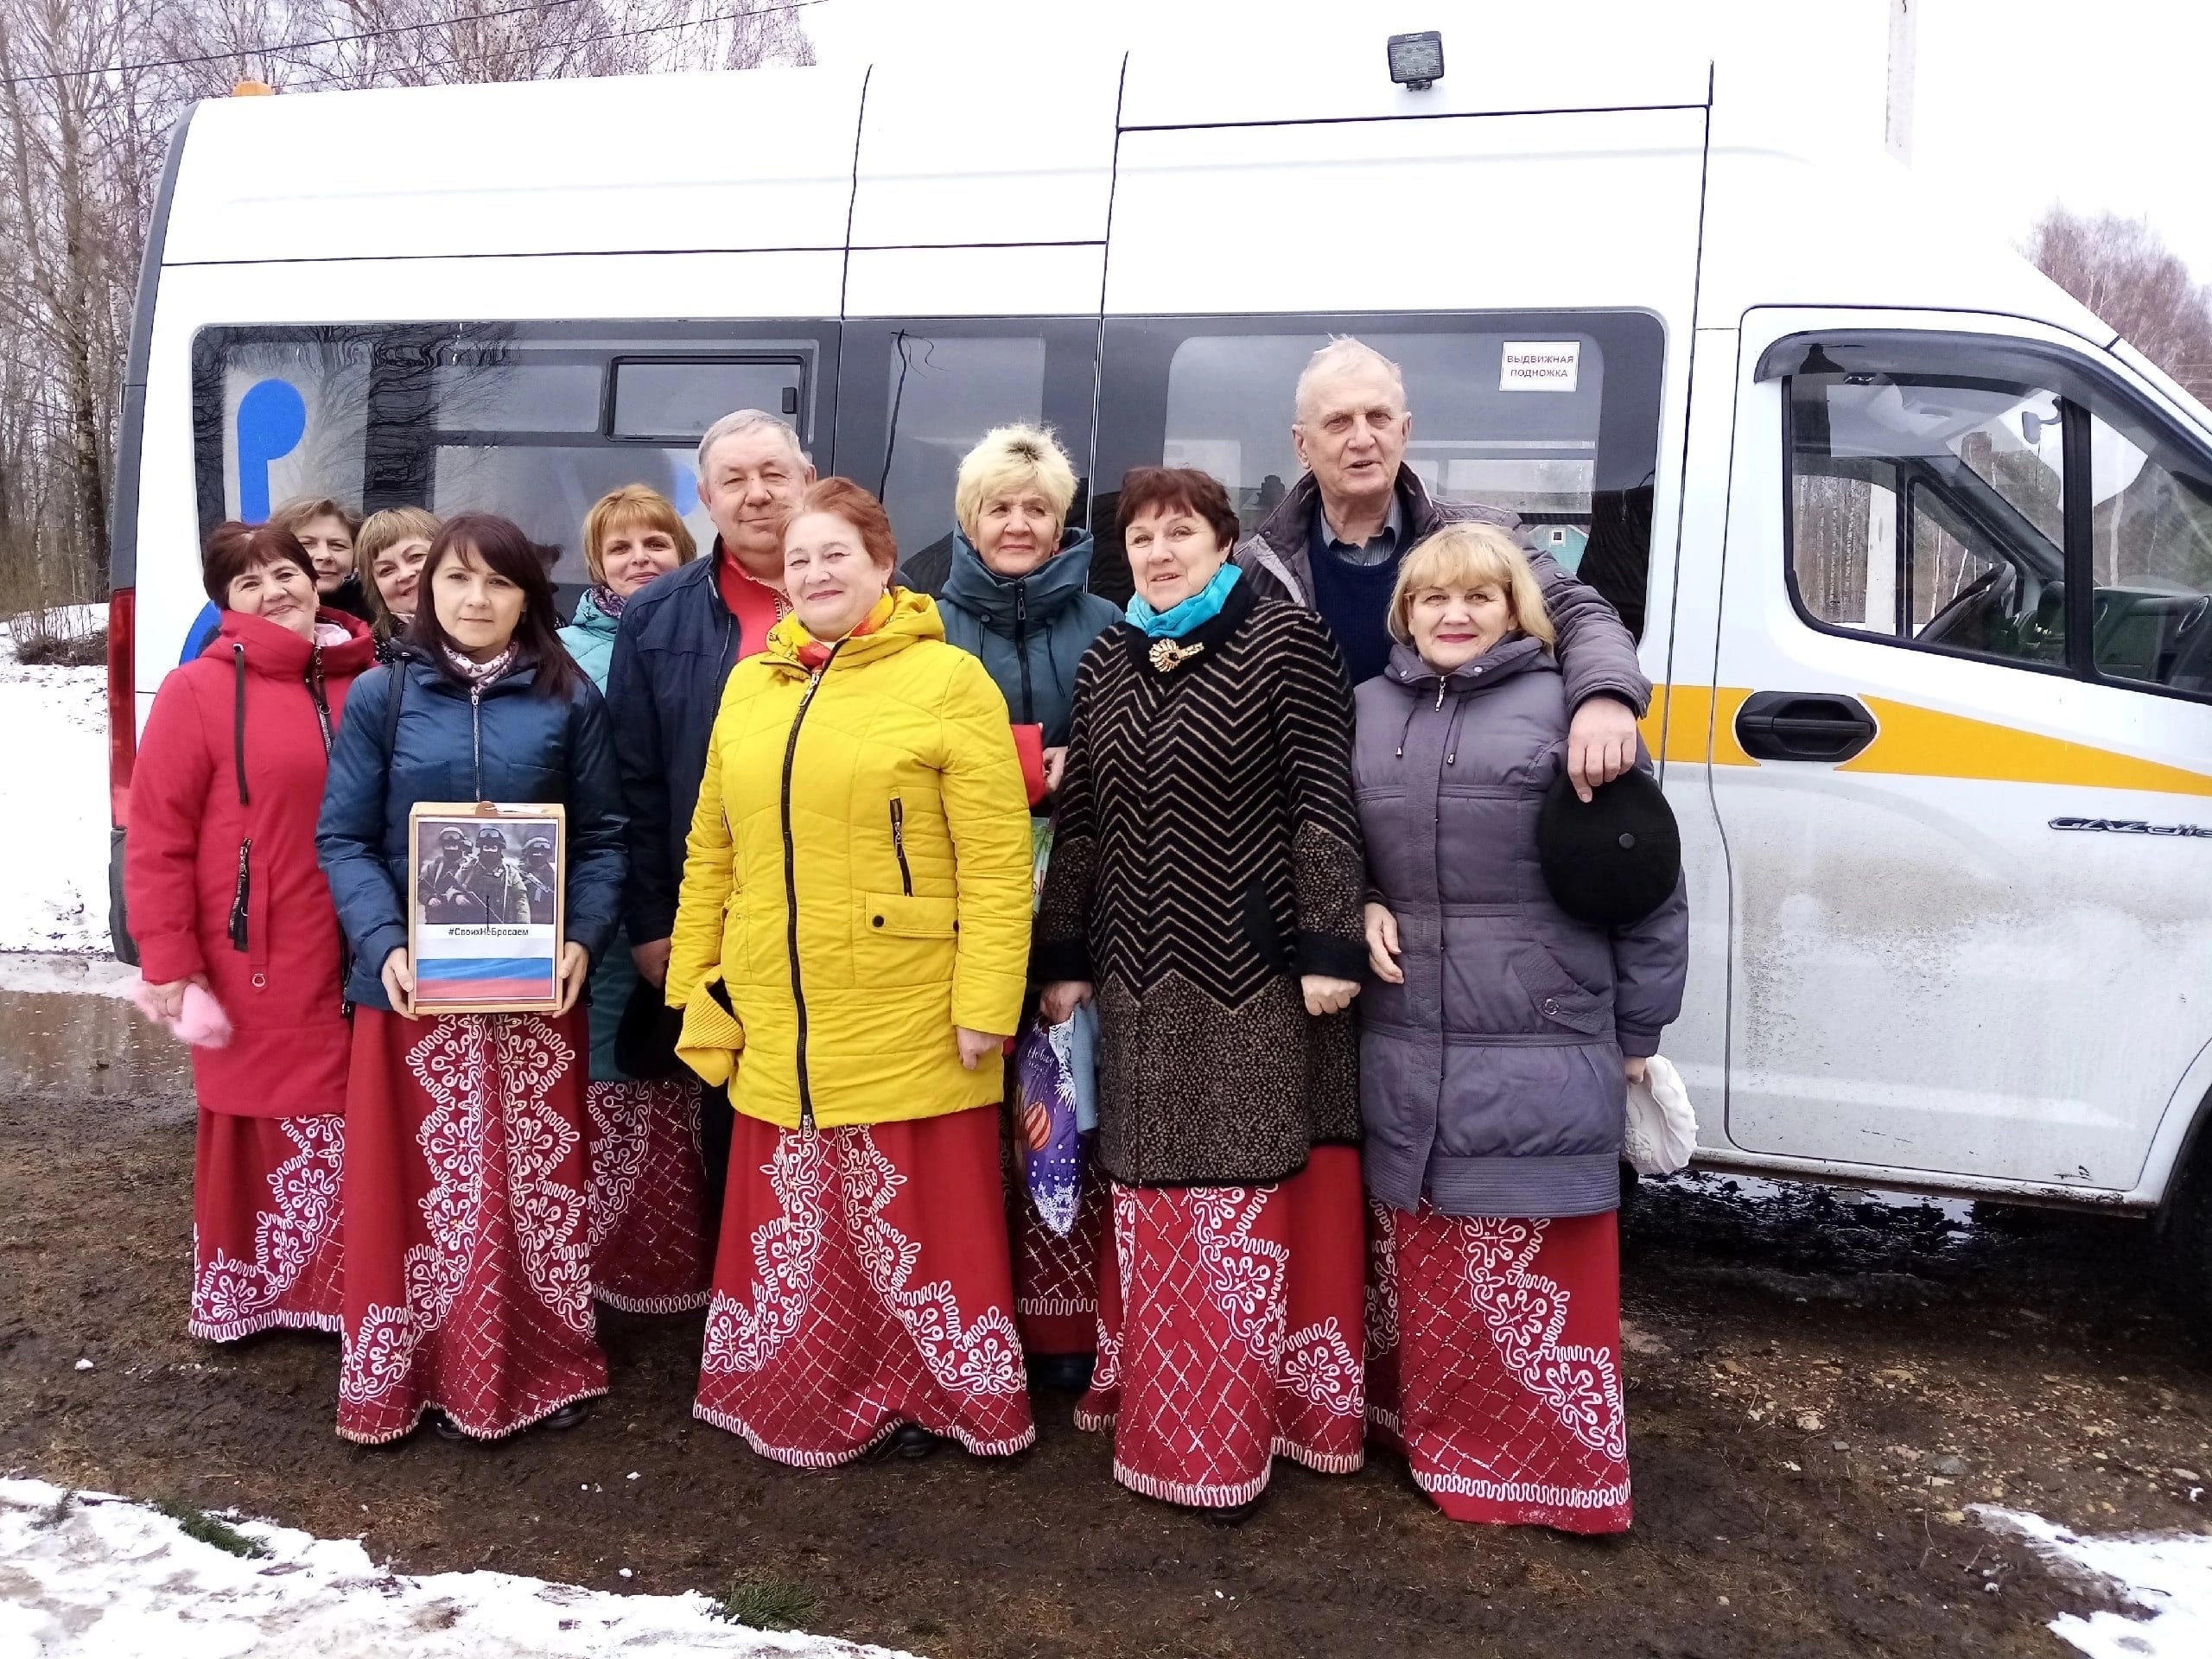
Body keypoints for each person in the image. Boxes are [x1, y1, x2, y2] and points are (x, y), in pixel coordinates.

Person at [666, 478, 1036, 1467]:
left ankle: (928, 1396)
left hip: (908, 999)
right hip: (779, 1004)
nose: (816, 572)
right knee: (803, 1213)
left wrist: (985, 1007)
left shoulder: (948, 680)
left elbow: (998, 863)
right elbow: (714, 848)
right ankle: (804, 1387)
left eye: (836, 554)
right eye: (797, 559)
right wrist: (693, 977)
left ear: (881, 564)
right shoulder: (753, 683)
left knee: (911, 1215)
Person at [1036, 467, 1369, 1521]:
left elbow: (1323, 796)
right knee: (1149, 1194)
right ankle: (1159, 1405)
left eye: (1181, 532)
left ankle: (1253, 1423)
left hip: (1254, 979)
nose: (1159, 551)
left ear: (1224, 543)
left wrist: (1327, 944)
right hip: (1133, 982)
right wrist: (1063, 958)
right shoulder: (1107, 660)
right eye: (1139, 538)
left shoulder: (1284, 642)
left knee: (1244, 1184)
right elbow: (1080, 822)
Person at [1354, 524, 1687, 1533]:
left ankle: (1552, 1471)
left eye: (1478, 599)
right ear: (1403, 614)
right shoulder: (1365, 709)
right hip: (1407, 1032)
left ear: (1516, 610)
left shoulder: (1569, 711)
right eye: (1431, 600)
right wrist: (1360, 894)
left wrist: (1639, 1029)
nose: (1453, 617)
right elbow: (1326, 834)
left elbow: (1648, 888)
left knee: (1534, 1258)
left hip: (1542, 1024)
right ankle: (1434, 1441)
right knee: (1437, 1257)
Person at [317, 512, 626, 1445]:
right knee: (425, 1185)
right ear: (426, 592)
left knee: (533, 1181)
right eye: (458, 580)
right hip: (414, 988)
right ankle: (420, 1370)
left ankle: (543, 1362)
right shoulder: (383, 697)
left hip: (535, 986)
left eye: (498, 581)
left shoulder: (570, 696)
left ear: (527, 595)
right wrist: (384, 944)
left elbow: (606, 837)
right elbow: (343, 837)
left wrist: (582, 938)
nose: (476, 598)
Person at [124, 521, 378, 1342]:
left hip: (366, 940)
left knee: (359, 1111)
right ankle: (257, 1296)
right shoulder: (196, 691)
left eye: (286, 573)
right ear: (226, 604)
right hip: (256, 946)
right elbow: (157, 835)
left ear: (317, 580)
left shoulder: (374, 677)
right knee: (263, 1111)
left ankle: (355, 1292)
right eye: (248, 583)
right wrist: (168, 960)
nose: (275, 592)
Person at [1232, 338, 1648, 803]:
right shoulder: (1255, 568)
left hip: (1435, 811)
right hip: (1313, 813)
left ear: (1405, 431)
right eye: (1338, 422)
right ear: (1302, 444)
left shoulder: (1484, 537)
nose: (1363, 438)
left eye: (1379, 417)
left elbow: (1582, 613)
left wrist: (1604, 696)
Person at [936, 424, 1120, 1391]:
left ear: (1060, 524)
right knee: (969, 1100)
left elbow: (1138, 752)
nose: (1017, 523)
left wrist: (1078, 766)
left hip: (1078, 893)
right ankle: (978, 1306)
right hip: (958, 899)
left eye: (1036, 508)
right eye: (999, 507)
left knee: (1064, 1100)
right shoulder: (923, 622)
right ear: (969, 519)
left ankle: (1063, 1331)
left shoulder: (1109, 623)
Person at [607, 410, 813, 1226]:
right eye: (735, 480)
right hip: (721, 917)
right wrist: (655, 925)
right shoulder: (658, 616)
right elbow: (634, 781)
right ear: (705, 498)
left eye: (774, 473)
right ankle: (747, 1309)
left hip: (846, 915)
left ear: (806, 476)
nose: (758, 495)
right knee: (734, 1111)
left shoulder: (869, 590)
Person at [558, 484, 711, 1316]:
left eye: (656, 542)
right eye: (621, 549)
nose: (640, 559)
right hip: (591, 878)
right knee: (609, 1043)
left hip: (679, 868)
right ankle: (605, 1258)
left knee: (680, 1046)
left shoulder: (699, 634)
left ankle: (673, 1257)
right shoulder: (562, 651)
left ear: (683, 553)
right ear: (597, 567)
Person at [357, 507, 440, 660]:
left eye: (415, 557)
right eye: (387, 570)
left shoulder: (492, 634)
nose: (405, 574)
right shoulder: (367, 661)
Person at [272, 496, 370, 623]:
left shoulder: (381, 620)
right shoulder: (256, 616)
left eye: (337, 545)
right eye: (307, 544)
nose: (324, 555)